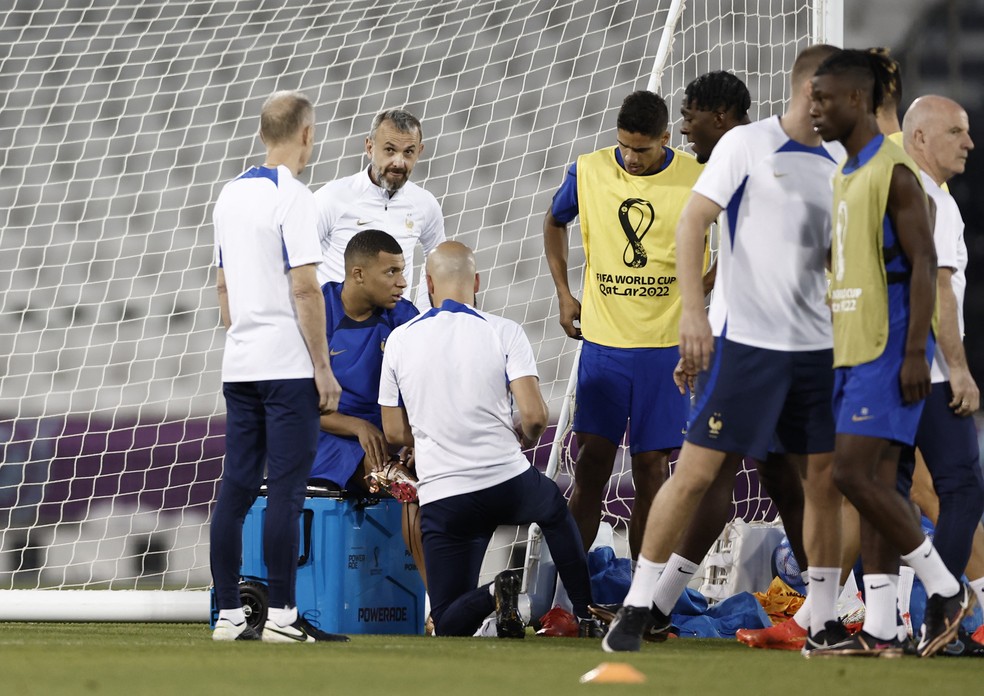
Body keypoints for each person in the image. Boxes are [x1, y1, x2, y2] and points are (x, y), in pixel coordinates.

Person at [601, 44, 846, 653]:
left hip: (813, 349)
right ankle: (639, 607)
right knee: (700, 474)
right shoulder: (745, 145)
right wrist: (695, 317)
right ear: (809, 90)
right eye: (845, 95)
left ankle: (825, 617)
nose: (852, 108)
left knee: (810, 481)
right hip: (744, 347)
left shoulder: (843, 156)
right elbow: (692, 224)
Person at [808, 48, 973, 657]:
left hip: (889, 351)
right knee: (876, 484)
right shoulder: (849, 173)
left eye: (825, 98)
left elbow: (928, 265)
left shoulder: (899, 170)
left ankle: (943, 588)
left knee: (858, 474)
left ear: (856, 101)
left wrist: (914, 356)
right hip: (851, 350)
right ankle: (883, 627)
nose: (813, 108)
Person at [378, 241, 600, 638]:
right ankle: (585, 612)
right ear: (477, 281)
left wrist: (433, 436)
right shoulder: (503, 330)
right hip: (506, 480)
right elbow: (534, 416)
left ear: (428, 284)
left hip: (444, 495)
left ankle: (494, 593)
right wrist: (524, 437)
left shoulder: (398, 339)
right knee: (552, 508)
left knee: (447, 620)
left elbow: (394, 432)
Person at [542, 90, 705, 562]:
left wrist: (699, 289)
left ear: (666, 138)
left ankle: (643, 596)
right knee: (591, 464)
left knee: (652, 470)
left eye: (643, 149)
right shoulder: (589, 170)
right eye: (625, 147)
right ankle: (569, 595)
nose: (631, 159)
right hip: (604, 346)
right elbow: (555, 221)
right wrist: (563, 291)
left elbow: (735, 241)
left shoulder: (695, 178)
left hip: (665, 348)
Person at [210, 90, 346, 643]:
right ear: (307, 134)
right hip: (287, 366)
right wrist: (322, 366)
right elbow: (305, 288)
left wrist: (246, 332)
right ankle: (284, 618)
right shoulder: (294, 197)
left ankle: (228, 615)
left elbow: (222, 289)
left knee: (236, 488)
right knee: (286, 491)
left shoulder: (228, 195)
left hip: (239, 363)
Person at [899, 94, 984, 655]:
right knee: (961, 489)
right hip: (924, 368)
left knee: (883, 491)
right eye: (957, 131)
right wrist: (959, 370)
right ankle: (940, 608)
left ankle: (880, 618)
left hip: (875, 364)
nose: (969, 143)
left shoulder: (892, 188)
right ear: (922, 138)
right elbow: (940, 297)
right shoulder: (935, 203)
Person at [309, 228, 426, 588]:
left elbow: (423, 389)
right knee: (411, 491)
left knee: (441, 486)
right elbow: (297, 403)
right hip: (327, 435)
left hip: (389, 435)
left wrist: (415, 439)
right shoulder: (317, 312)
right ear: (358, 274)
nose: (403, 282)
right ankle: (440, 604)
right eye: (391, 272)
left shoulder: (405, 317)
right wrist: (358, 428)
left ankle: (449, 600)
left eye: (403, 271)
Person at [313, 108, 445, 310]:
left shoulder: (425, 204)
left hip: (394, 330)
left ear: (419, 151)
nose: (399, 162)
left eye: (408, 152)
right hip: (336, 330)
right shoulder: (332, 197)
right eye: (390, 150)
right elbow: (295, 258)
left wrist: (422, 315)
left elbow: (437, 263)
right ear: (369, 147)